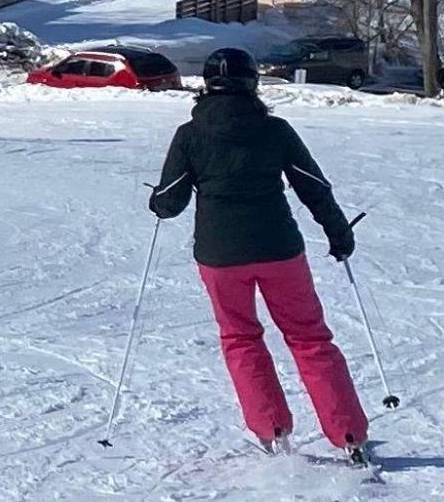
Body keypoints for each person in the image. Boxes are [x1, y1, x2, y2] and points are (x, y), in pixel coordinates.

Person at [150, 47, 371, 465]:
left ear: (207, 86)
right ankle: (349, 435)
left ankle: (271, 430)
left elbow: (171, 200)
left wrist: (157, 202)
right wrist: (338, 231)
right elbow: (312, 185)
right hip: (278, 250)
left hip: (219, 255)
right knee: (309, 337)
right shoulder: (275, 130)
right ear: (252, 83)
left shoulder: (190, 135)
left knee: (240, 337)